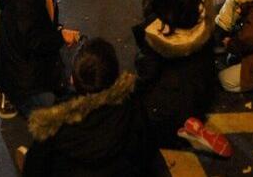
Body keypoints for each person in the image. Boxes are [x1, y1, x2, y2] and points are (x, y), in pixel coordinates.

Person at [132, 0, 230, 157]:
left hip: (173, 96)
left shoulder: (157, 27)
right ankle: (192, 119)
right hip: (203, 81)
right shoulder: (201, 1)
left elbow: (147, 71)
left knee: (141, 116)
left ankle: (183, 128)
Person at [21, 38, 161, 176]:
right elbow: (147, 155)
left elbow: (34, 169)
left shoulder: (53, 126)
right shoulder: (133, 108)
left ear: (73, 80)